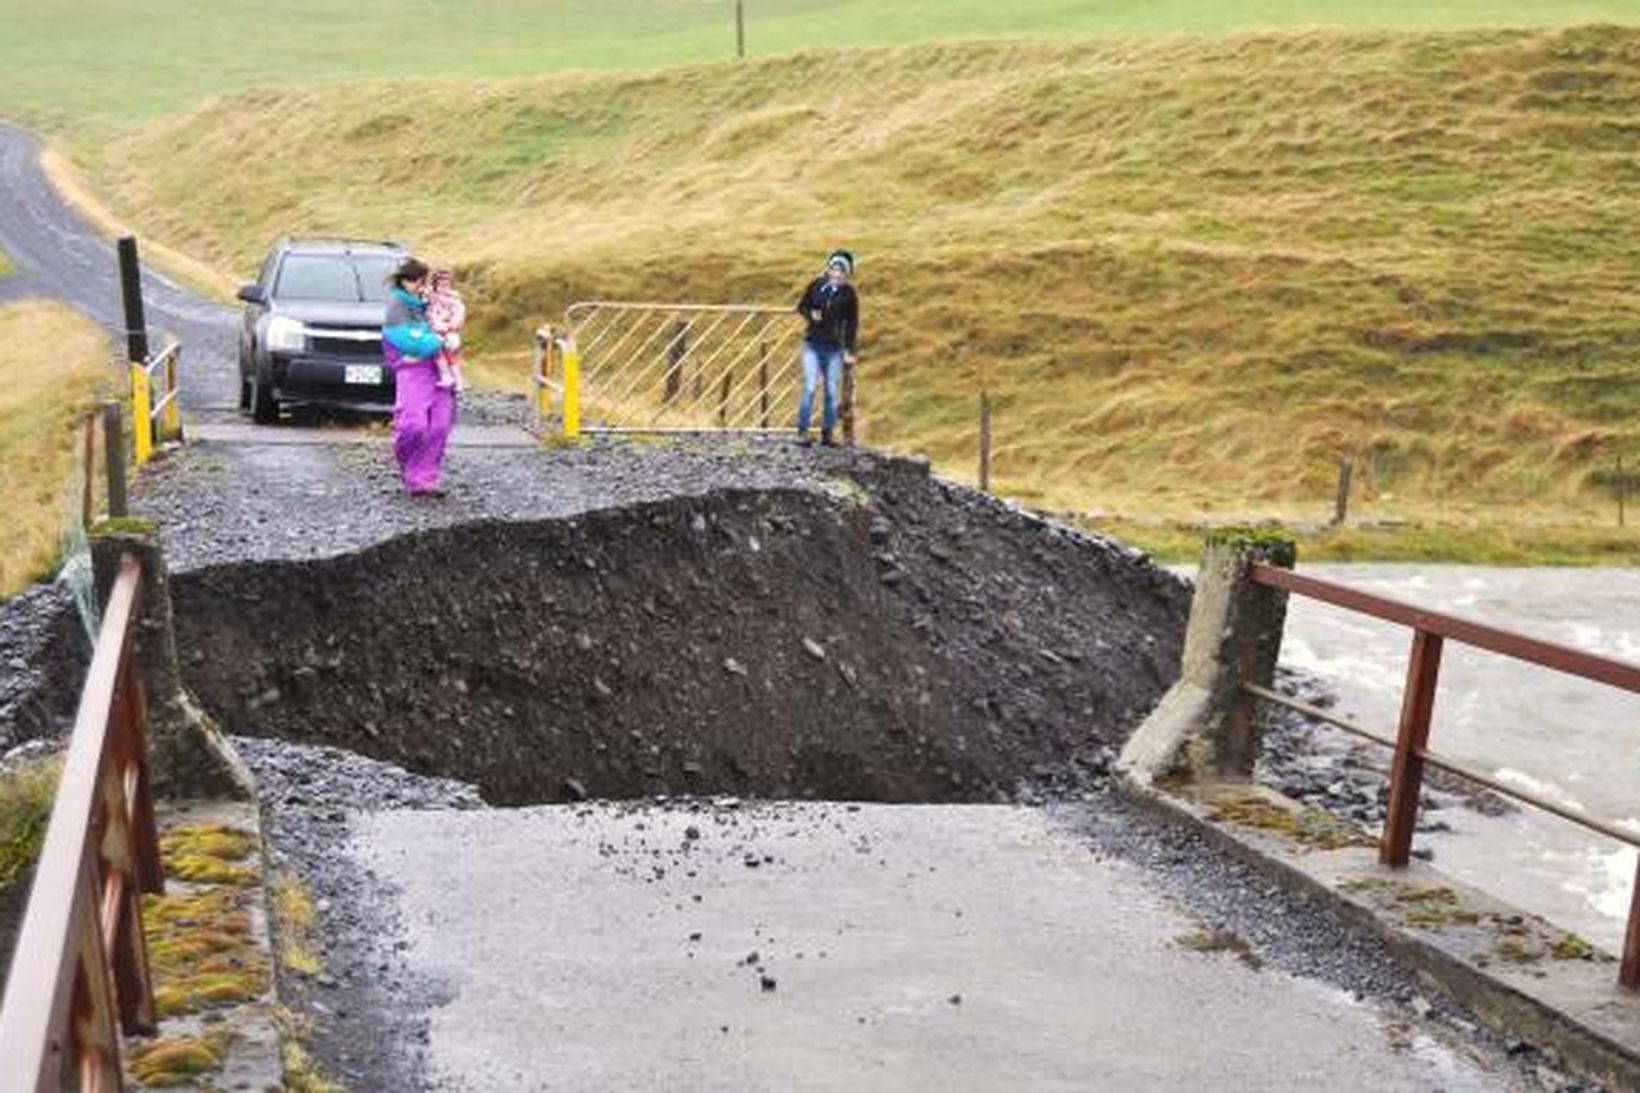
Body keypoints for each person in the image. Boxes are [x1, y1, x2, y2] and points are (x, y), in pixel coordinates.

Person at [382, 257, 454, 496]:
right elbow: (409, 343)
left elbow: (451, 324)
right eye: (413, 280)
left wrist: (441, 338)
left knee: (440, 426)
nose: (417, 285)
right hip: (414, 373)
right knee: (415, 425)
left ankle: (424, 479)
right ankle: (408, 464)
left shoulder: (429, 302)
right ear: (402, 280)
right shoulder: (396, 307)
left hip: (441, 372)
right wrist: (437, 340)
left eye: (421, 281)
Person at [794, 250, 859, 447]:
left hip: (834, 348)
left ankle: (827, 434)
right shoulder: (816, 285)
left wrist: (849, 350)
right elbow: (801, 306)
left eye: (842, 271)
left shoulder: (849, 294)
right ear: (828, 269)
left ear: (847, 274)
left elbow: (852, 324)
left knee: (831, 391)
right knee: (811, 386)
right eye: (834, 268)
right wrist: (810, 314)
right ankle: (802, 432)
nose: (837, 273)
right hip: (813, 344)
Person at [426, 268, 469, 392]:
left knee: (448, 355)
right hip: (438, 331)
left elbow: (458, 316)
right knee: (442, 354)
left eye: (446, 285)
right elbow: (430, 314)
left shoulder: (454, 302)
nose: (443, 288)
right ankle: (451, 378)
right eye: (440, 285)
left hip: (448, 332)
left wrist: (449, 327)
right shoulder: (433, 299)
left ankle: (453, 378)